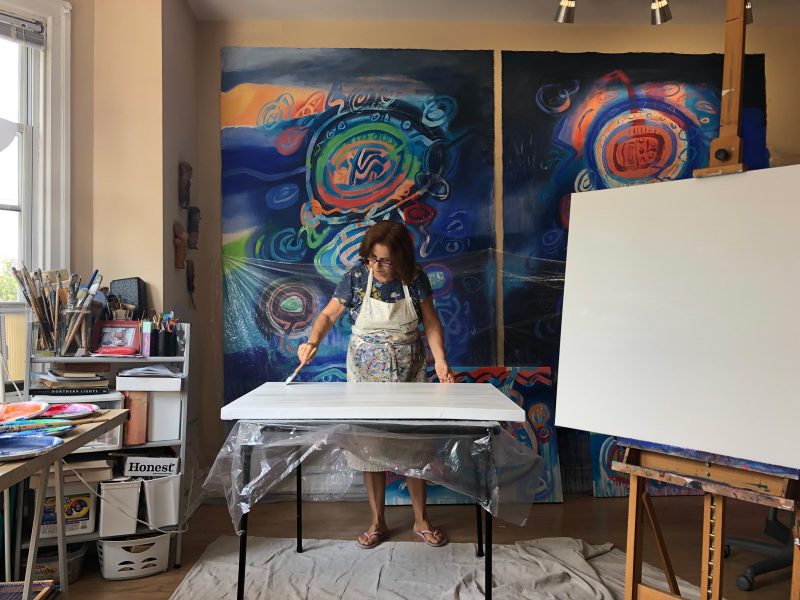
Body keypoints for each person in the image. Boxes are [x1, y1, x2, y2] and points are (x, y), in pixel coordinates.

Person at [297, 220, 455, 549]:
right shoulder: (356, 277)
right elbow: (327, 315)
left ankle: (421, 520)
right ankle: (377, 521)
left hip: (409, 370)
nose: (378, 267)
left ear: (402, 259)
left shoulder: (415, 278)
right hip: (365, 376)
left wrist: (440, 360)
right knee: (369, 447)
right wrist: (312, 340)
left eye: (385, 260)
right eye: (373, 259)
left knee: (414, 445)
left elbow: (431, 322)